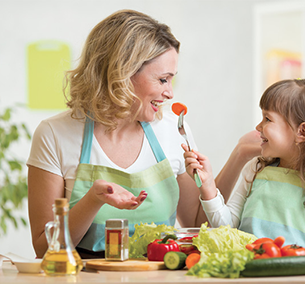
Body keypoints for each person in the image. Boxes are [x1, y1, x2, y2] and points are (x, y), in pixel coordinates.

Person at [27, 9, 260, 259]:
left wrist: (239, 154)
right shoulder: (54, 134)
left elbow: (196, 221)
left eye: (171, 80)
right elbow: (43, 247)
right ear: (122, 74)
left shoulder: (172, 130)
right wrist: (94, 200)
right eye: (162, 80)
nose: (170, 93)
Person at [183, 79, 305, 248]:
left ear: (302, 131)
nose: (258, 127)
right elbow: (227, 227)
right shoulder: (256, 169)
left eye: (267, 119)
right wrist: (208, 188)